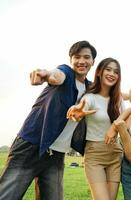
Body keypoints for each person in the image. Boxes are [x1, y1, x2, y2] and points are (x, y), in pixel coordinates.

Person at [0, 40, 97, 200]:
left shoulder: (90, 88)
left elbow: (112, 94)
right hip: (30, 146)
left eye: (86, 57)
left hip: (56, 155)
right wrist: (45, 75)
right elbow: (56, 76)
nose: (81, 61)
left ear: (93, 61)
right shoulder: (66, 72)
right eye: (77, 57)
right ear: (71, 59)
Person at [66, 58, 123, 200]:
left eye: (116, 71)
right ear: (99, 72)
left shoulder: (118, 100)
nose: (112, 74)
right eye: (108, 69)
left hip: (115, 154)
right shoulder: (90, 97)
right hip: (95, 155)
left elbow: (126, 121)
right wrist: (76, 112)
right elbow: (81, 108)